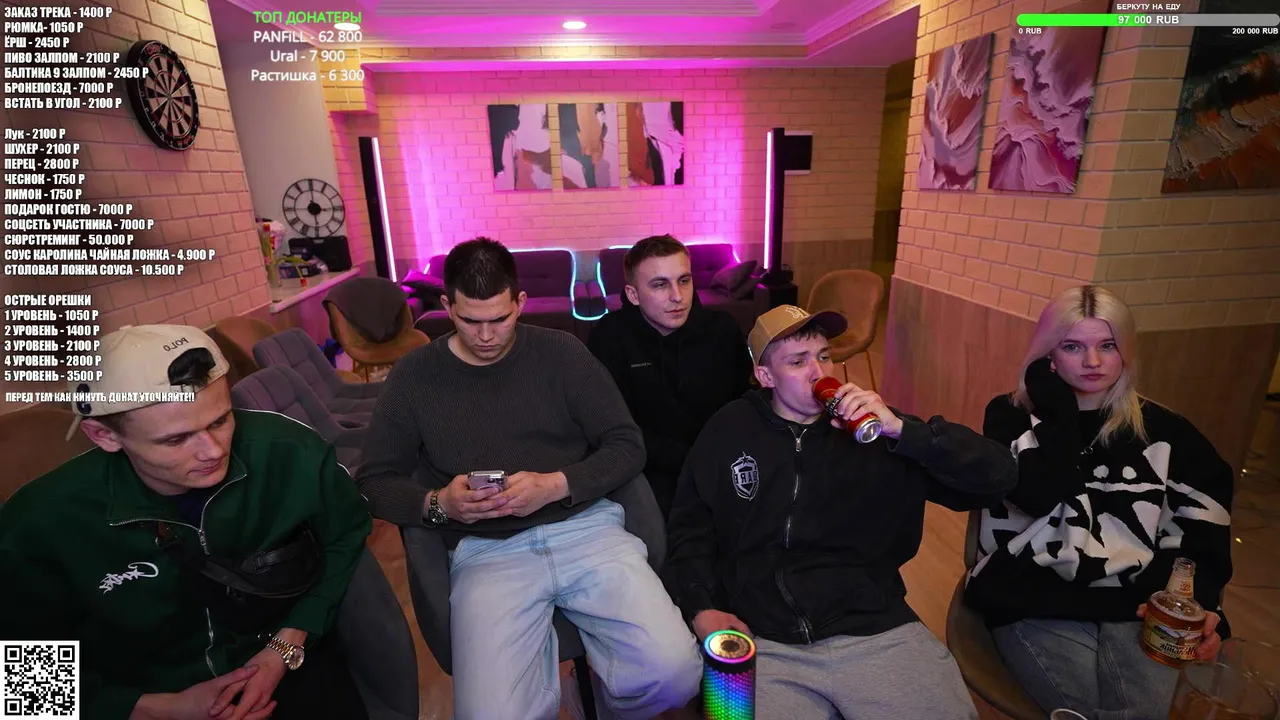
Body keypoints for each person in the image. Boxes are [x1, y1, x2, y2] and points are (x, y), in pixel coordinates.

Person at [355, 238, 702, 720]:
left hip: (588, 531)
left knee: (676, 674)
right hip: (486, 552)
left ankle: (595, 700)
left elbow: (627, 444)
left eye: (499, 319)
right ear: (446, 307)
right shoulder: (414, 376)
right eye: (469, 321)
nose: (485, 336)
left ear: (520, 302)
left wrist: (557, 484)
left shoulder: (562, 353)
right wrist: (439, 504)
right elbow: (373, 482)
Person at [0, 324, 372, 720]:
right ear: (103, 435)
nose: (213, 451)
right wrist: (157, 709)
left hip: (286, 666)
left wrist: (288, 642)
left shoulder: (290, 452)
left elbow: (346, 534)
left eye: (220, 420)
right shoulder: (37, 524)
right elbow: (21, 677)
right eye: (176, 440)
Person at [665, 304, 1018, 720]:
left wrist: (904, 431)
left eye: (824, 356)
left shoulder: (878, 432)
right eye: (798, 362)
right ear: (765, 376)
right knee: (727, 715)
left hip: (876, 631)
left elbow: (999, 478)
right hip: (761, 639)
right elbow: (690, 530)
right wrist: (700, 607)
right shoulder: (728, 429)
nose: (818, 373)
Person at [965, 285, 1233, 719]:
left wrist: (1203, 603)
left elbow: (1204, 531)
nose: (1093, 362)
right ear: (1048, 355)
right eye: (1072, 346)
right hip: (1033, 593)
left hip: (1137, 601)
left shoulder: (1168, 431)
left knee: (1145, 712)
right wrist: (1058, 410)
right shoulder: (1011, 416)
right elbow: (1036, 495)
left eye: (1107, 345)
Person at [587, 235, 753, 517]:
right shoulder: (610, 337)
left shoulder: (722, 330)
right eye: (660, 284)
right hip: (645, 468)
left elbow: (744, 406)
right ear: (633, 295)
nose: (677, 296)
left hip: (721, 461)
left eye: (684, 281)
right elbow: (612, 428)